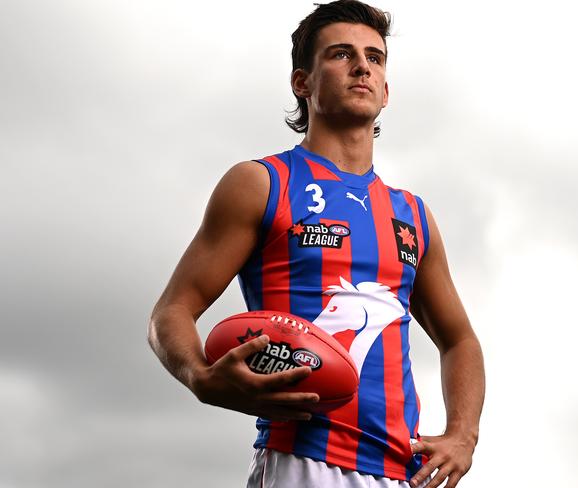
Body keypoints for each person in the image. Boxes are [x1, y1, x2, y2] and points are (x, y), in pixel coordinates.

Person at [148, 1, 485, 487]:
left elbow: (461, 341)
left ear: (386, 91)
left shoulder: (412, 215)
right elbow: (170, 312)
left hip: (401, 472)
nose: (362, 65)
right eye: (342, 54)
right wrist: (200, 377)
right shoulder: (263, 183)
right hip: (302, 459)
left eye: (375, 57)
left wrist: (463, 435)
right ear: (301, 82)